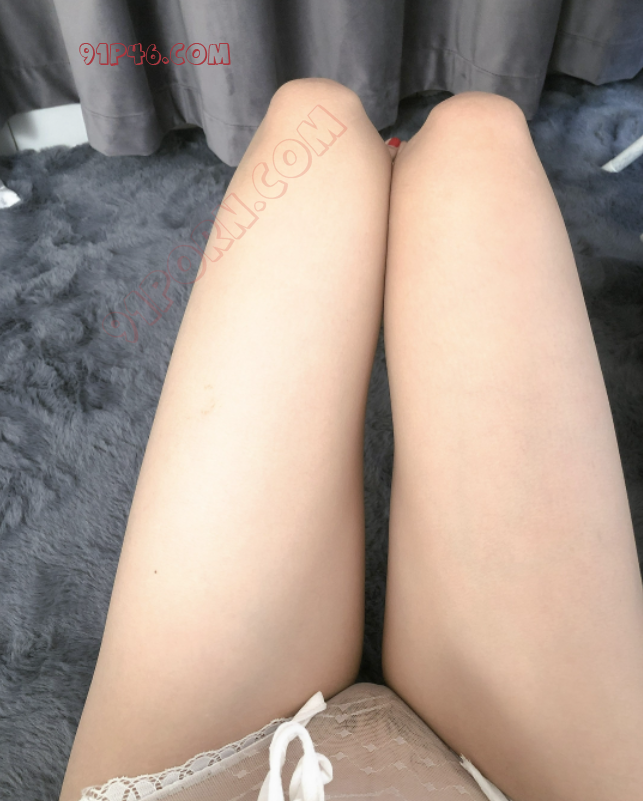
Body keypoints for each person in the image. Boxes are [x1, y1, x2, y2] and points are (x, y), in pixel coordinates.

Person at [57, 79, 643, 801]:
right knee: (477, 130)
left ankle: (392, 186)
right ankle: (403, 186)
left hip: (189, 776)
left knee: (318, 117)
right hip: (550, 780)